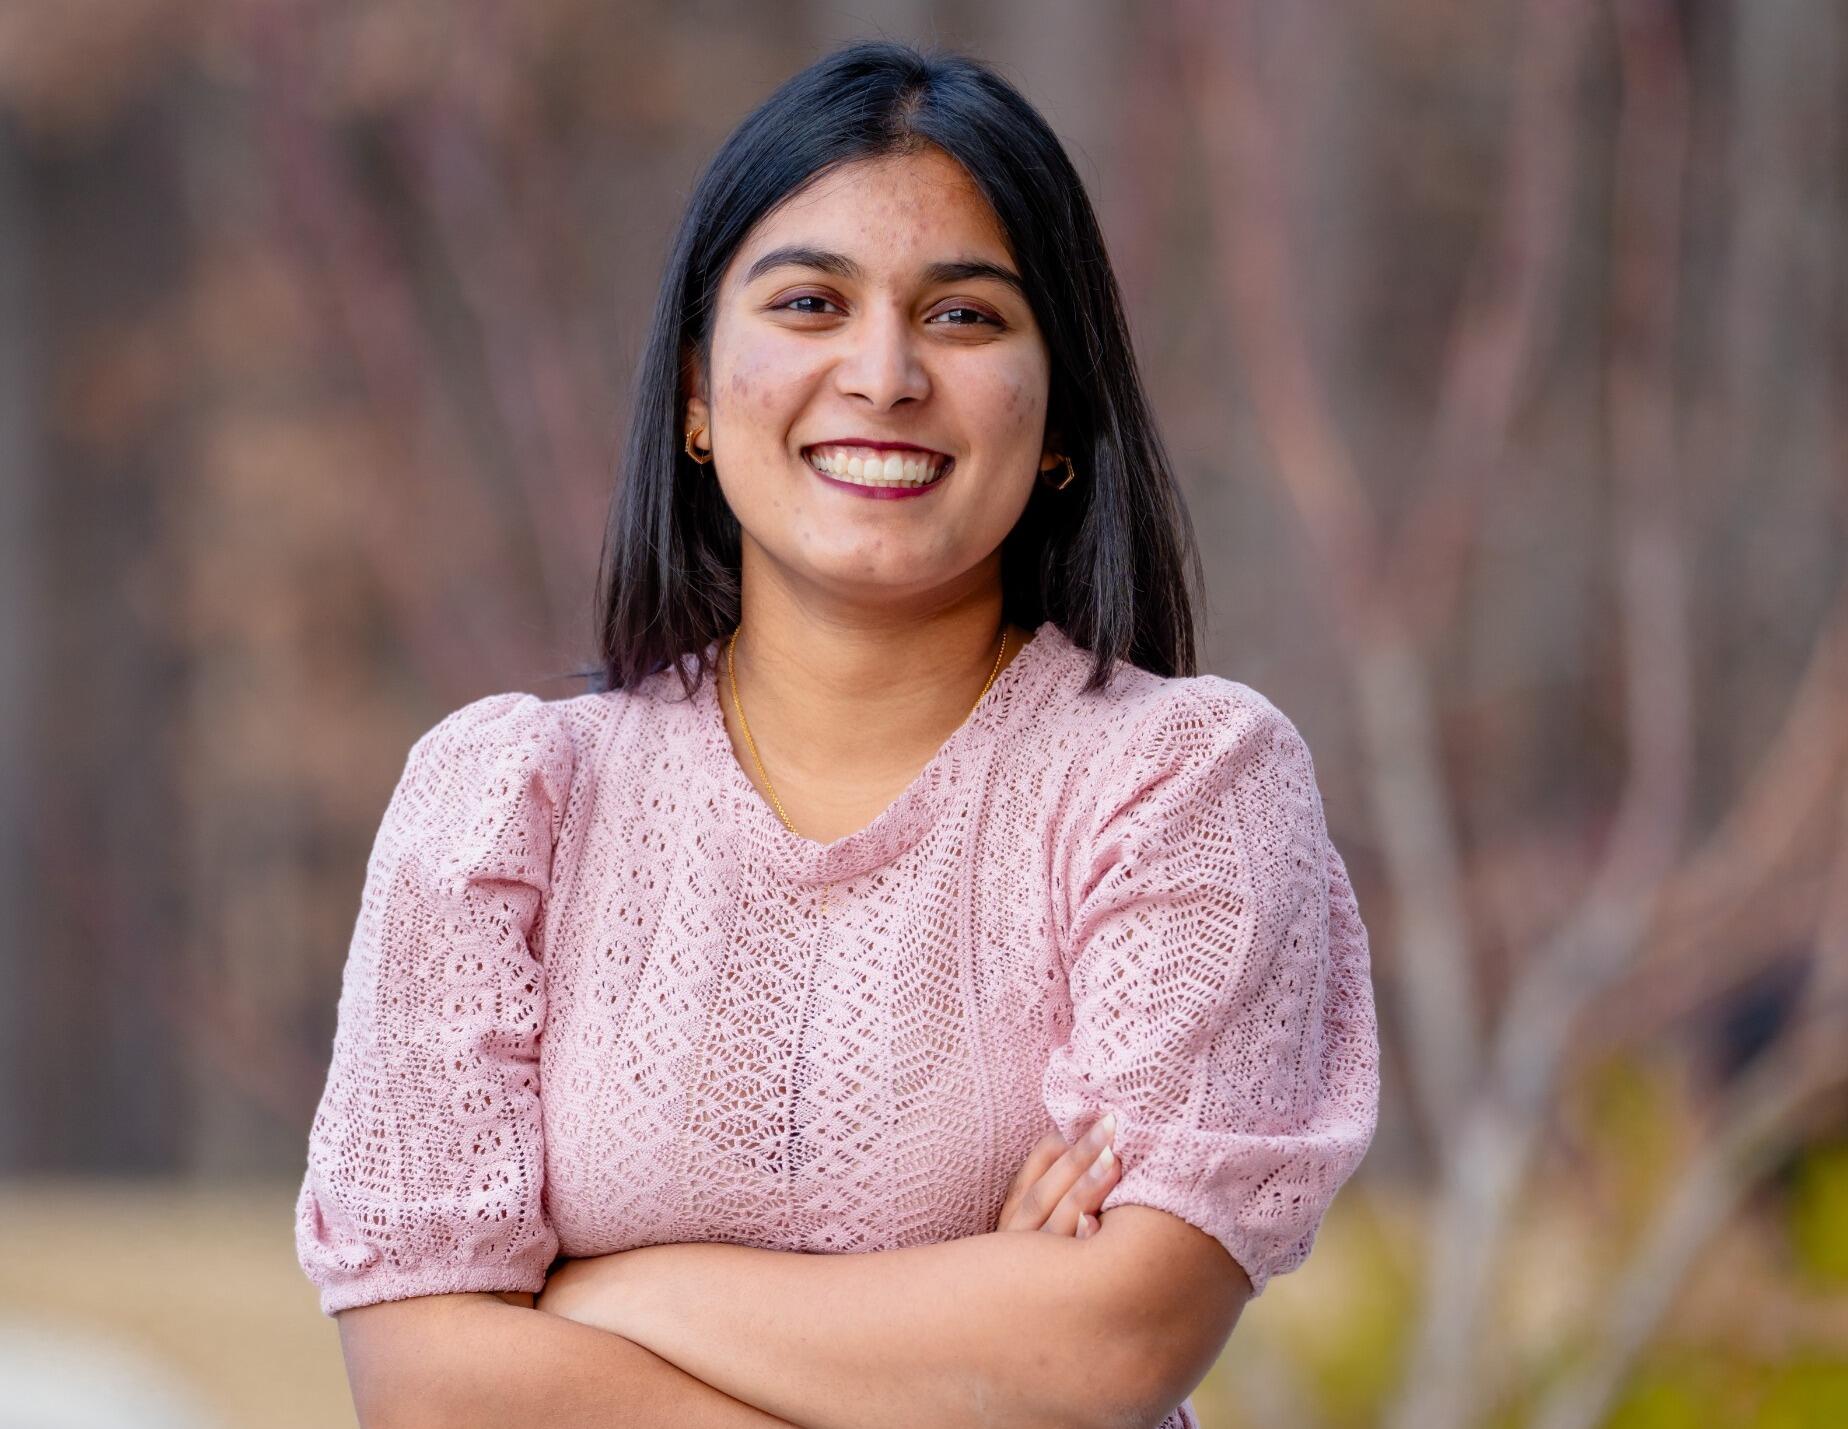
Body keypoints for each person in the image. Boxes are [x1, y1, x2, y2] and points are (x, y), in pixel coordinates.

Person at [295, 37, 1380, 1429]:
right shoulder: (503, 806)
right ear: (695, 390)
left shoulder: (1181, 785)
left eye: (967, 318)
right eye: (809, 302)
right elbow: (432, 1393)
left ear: (1060, 412)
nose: (882, 373)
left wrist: (607, 1292)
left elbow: (1109, 1346)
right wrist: (974, 1327)